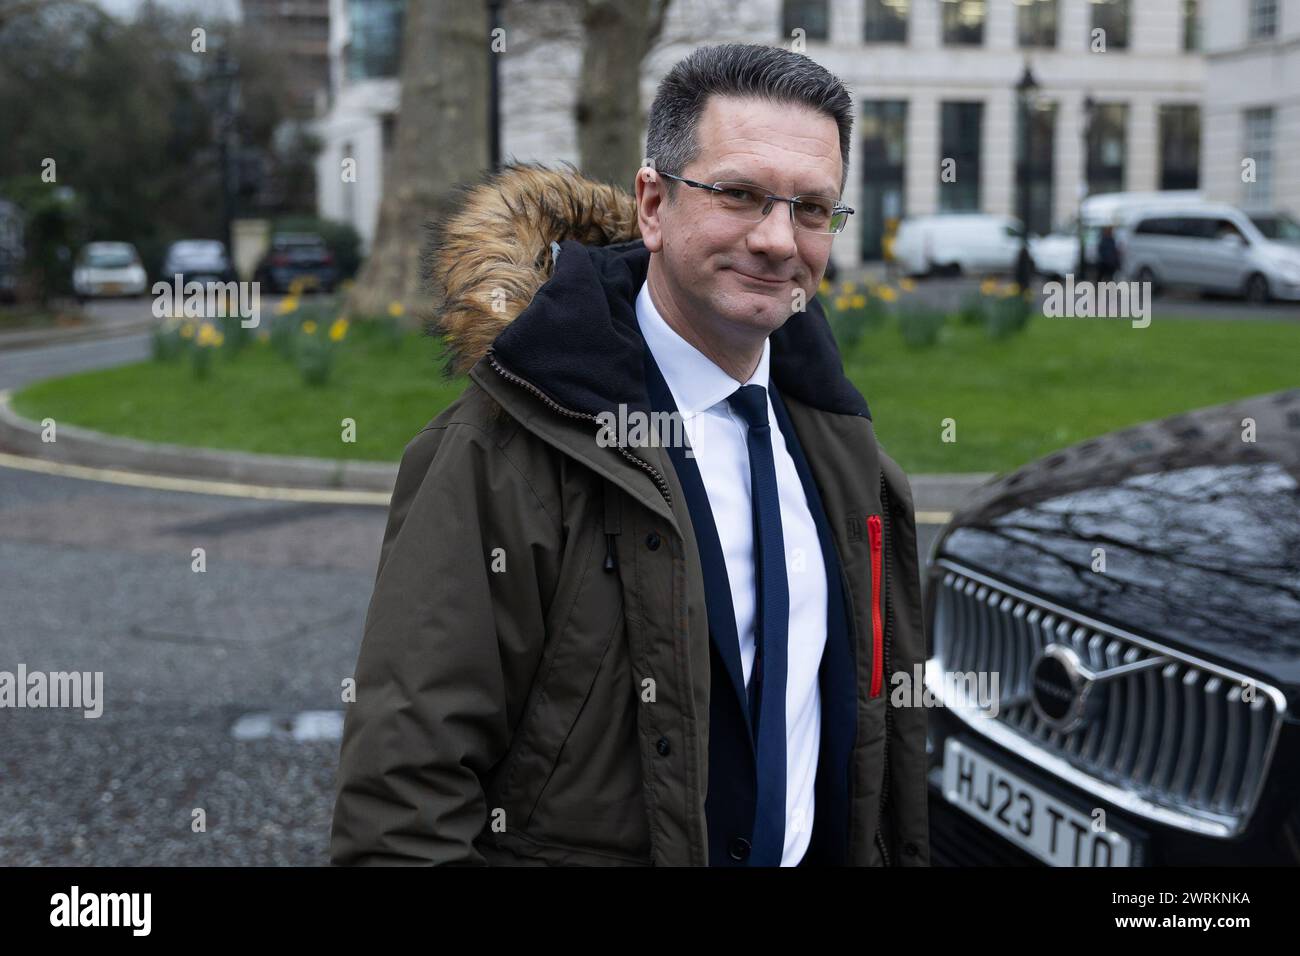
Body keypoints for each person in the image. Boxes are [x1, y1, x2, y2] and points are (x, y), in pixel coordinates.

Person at [330, 43, 929, 867]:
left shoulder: (844, 451)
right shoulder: (501, 451)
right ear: (653, 203)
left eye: (813, 209)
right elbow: (399, 813)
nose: (778, 240)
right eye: (741, 194)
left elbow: (879, 760)